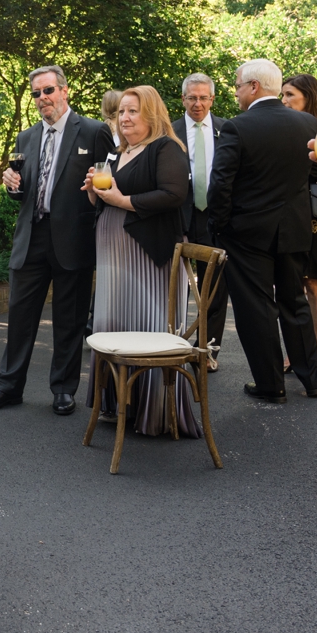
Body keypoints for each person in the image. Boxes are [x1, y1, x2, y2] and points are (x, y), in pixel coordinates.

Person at [0, 66, 111, 415]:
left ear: (65, 91)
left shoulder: (95, 132)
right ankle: (8, 387)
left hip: (73, 239)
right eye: (36, 94)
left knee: (70, 318)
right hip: (32, 236)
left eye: (48, 90)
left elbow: (107, 185)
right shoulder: (26, 138)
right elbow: (23, 191)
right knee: (20, 317)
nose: (42, 99)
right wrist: (13, 186)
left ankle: (64, 390)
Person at [207, 58, 317, 402]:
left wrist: (220, 225)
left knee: (256, 309)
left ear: (254, 86)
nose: (235, 92)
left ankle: (271, 384)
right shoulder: (306, 123)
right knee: (294, 302)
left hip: (248, 233)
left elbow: (221, 185)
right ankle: (314, 378)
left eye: (237, 85)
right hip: (293, 228)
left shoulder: (236, 127)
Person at [79, 86, 197, 433]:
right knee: (113, 322)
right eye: (121, 112)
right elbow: (104, 202)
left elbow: (174, 194)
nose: (125, 118)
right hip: (113, 255)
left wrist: (122, 201)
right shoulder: (117, 154)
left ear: (153, 115)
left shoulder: (167, 148)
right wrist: (94, 193)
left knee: (146, 323)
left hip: (148, 255)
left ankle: (154, 409)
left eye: (133, 111)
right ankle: (117, 403)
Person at [171, 72, 230, 365]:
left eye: (203, 97)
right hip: (180, 216)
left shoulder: (226, 129)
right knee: (177, 286)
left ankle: (208, 350)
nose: (197, 103)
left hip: (214, 218)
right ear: (183, 99)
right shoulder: (169, 131)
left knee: (215, 288)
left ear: (212, 99)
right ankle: (175, 347)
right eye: (192, 97)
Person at [281, 74, 317, 374]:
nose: (285, 101)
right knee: (292, 285)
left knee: (315, 285)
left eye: (290, 95)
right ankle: (296, 351)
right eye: (283, 95)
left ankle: (316, 351)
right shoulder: (283, 126)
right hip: (290, 214)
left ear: (308, 96)